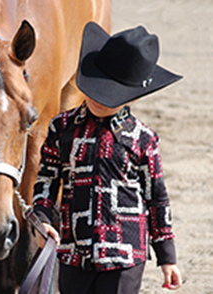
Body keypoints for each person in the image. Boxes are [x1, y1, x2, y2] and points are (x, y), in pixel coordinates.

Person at [32, 22, 183, 294]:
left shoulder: (143, 139)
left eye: (110, 94)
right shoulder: (62, 128)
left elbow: (157, 199)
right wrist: (42, 215)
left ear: (132, 97)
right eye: (96, 88)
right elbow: (47, 177)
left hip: (124, 255)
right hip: (73, 251)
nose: (98, 99)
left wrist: (167, 257)